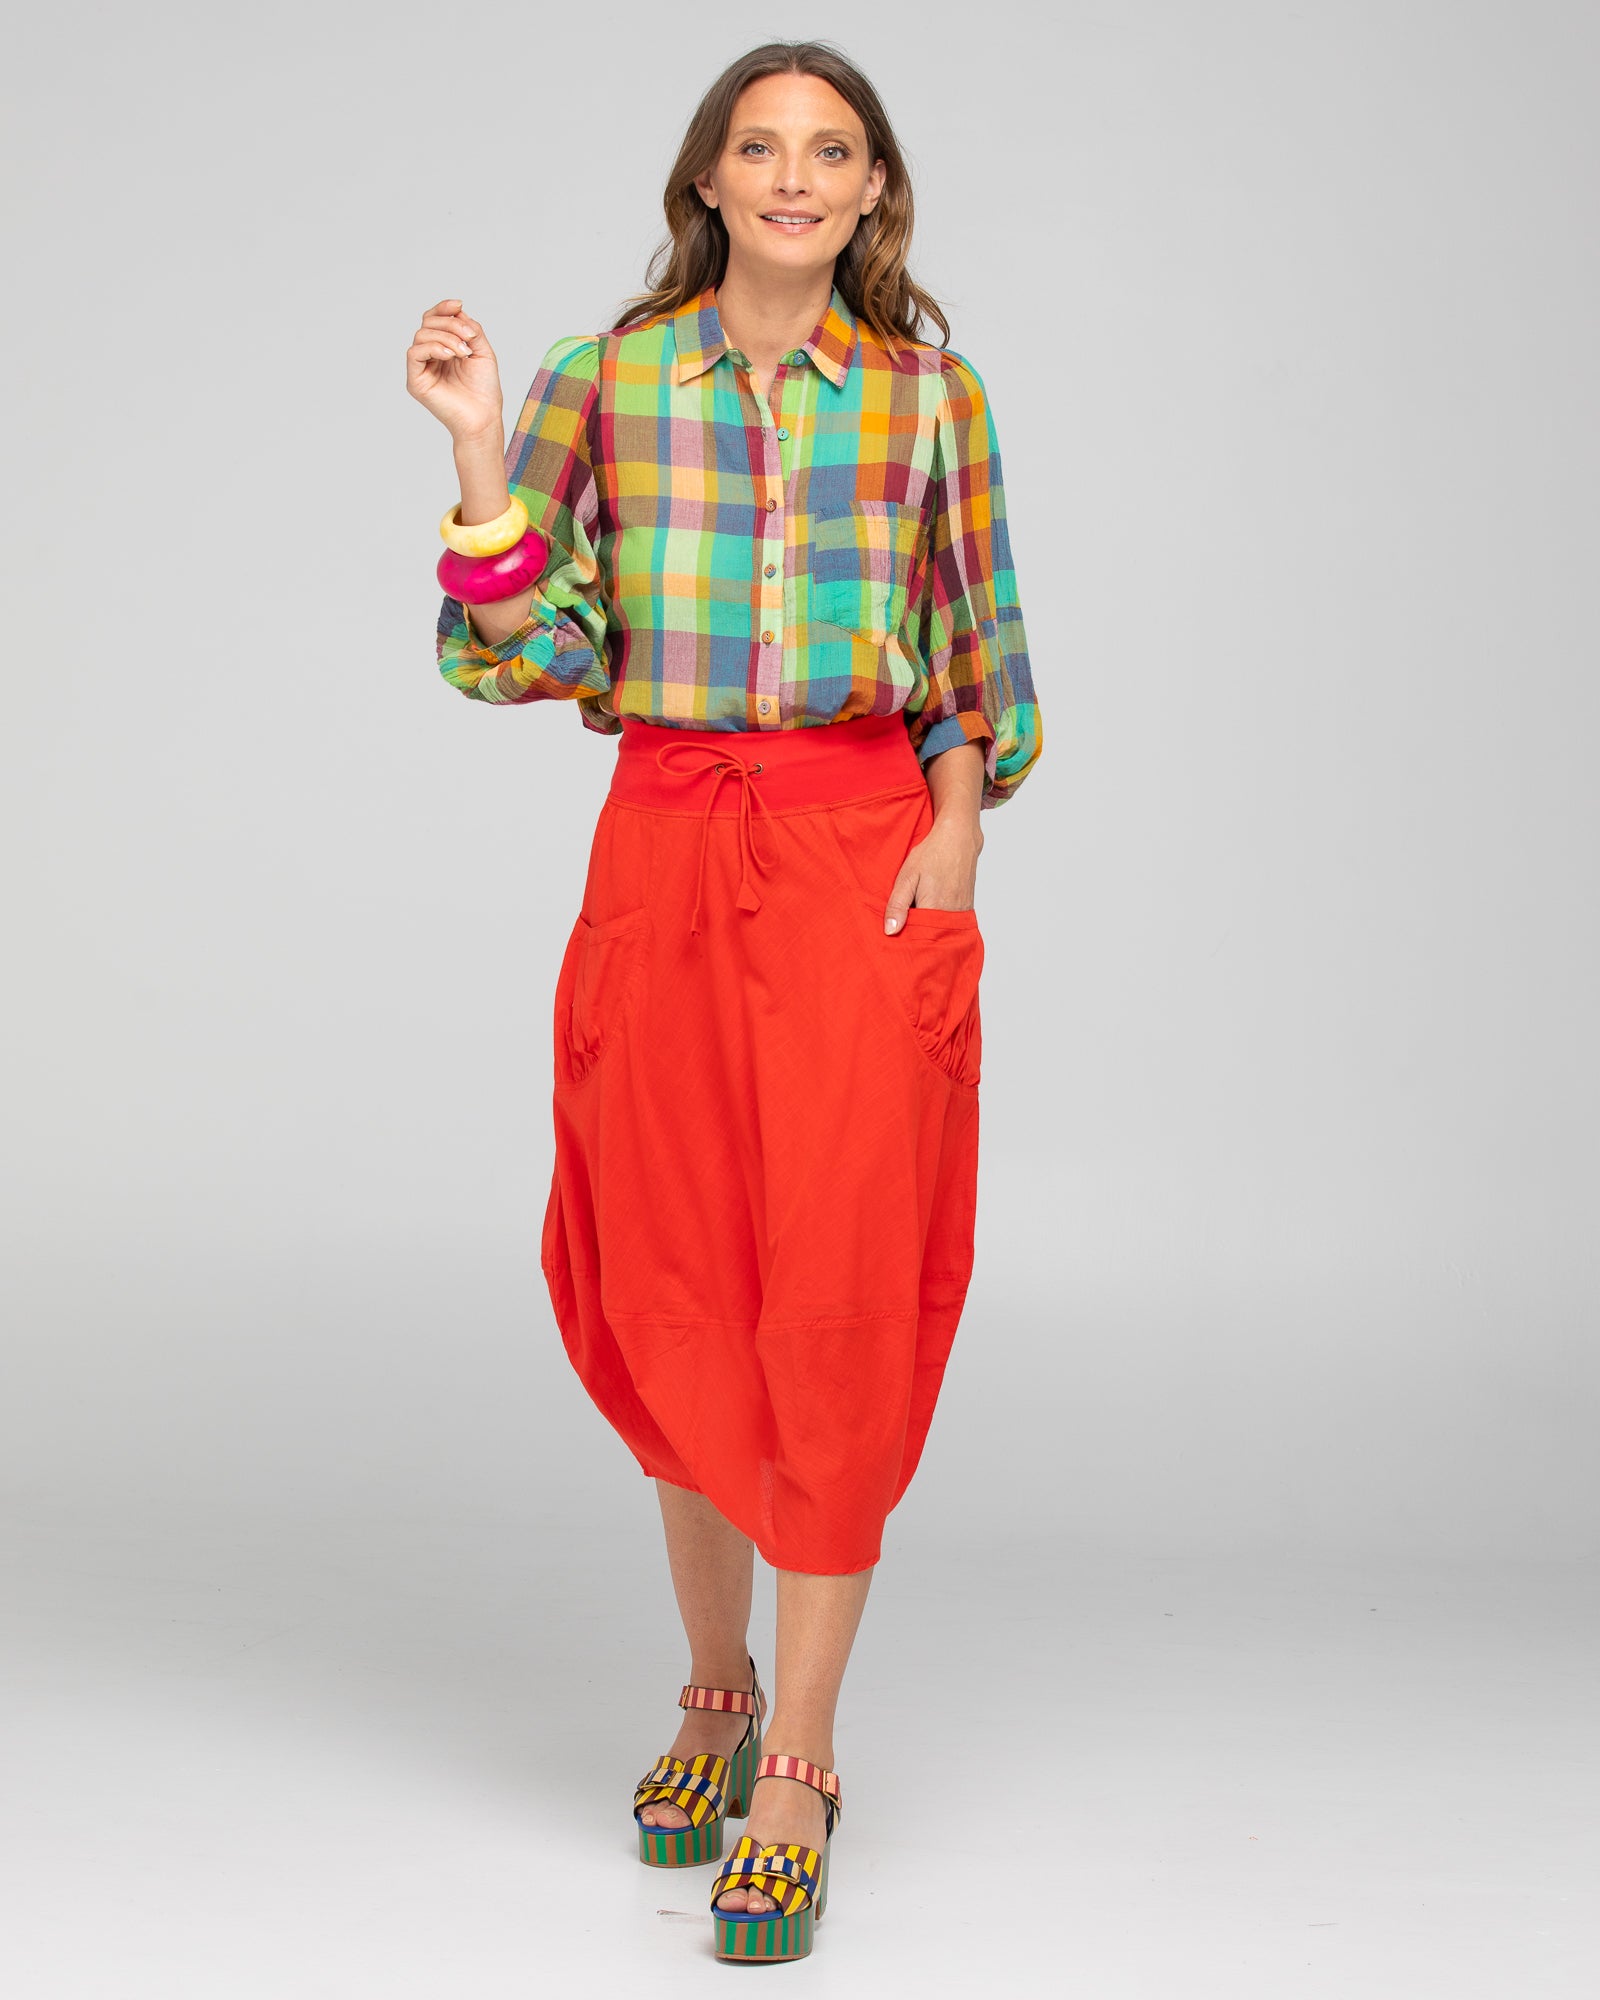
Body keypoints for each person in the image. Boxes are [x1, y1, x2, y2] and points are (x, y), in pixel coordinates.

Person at [406, 37, 1041, 1966]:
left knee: (833, 1289)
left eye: (830, 150)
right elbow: (520, 652)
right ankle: (714, 1684)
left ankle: (804, 1760)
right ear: (707, 180)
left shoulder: (930, 396)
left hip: (860, 857)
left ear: (872, 189)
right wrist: (477, 453)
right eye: (758, 147)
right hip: (668, 842)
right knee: (678, 1267)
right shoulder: (606, 380)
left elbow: (973, 652)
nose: (792, 177)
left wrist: (956, 834)